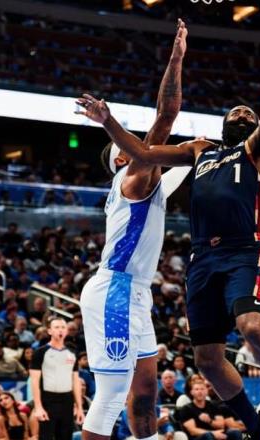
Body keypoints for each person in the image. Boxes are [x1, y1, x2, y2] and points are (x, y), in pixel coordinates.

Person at [78, 2, 260, 439]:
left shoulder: (239, 152)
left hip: (210, 262)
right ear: (120, 160)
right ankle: (259, 422)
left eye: (246, 114)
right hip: (134, 282)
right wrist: (111, 119)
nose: (242, 113)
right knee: (125, 387)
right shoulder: (146, 171)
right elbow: (155, 132)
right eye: (236, 112)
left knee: (148, 389)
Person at [76, 22, 191, 440]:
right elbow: (166, 115)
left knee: (145, 393)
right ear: (124, 160)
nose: (144, 146)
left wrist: (200, 150)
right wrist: (176, 59)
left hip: (136, 293)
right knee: (111, 396)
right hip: (116, 291)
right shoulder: (135, 178)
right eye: (134, 147)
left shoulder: (148, 183)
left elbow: (180, 168)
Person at [30, 317, 84, 440]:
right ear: (49, 331)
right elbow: (34, 381)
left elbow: (75, 380)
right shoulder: (40, 352)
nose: (60, 330)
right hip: (47, 400)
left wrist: (79, 407)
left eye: (63, 327)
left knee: (66, 436)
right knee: (46, 437)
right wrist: (38, 407)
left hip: (67, 400)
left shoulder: (72, 353)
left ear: (66, 331)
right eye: (57, 327)